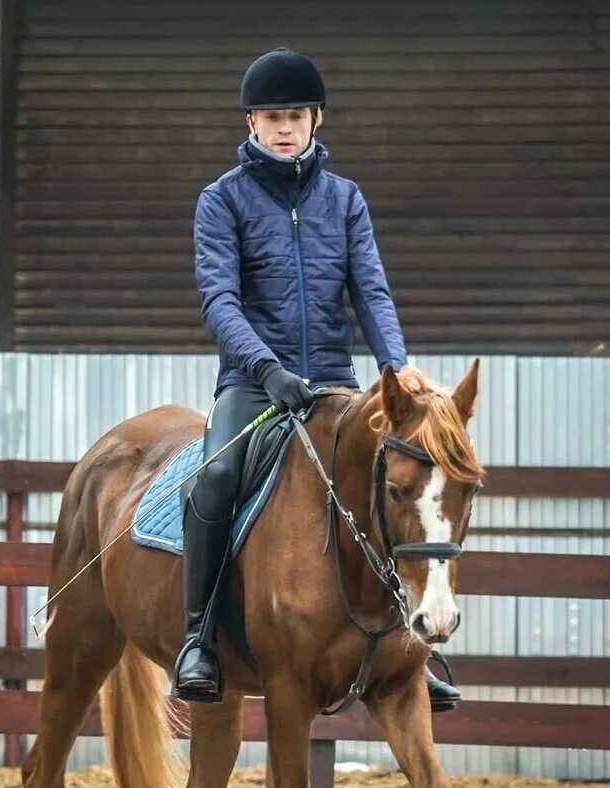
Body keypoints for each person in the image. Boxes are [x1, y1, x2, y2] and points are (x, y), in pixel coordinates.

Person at [173, 47, 460, 713]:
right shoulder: (222, 201)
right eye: (272, 115)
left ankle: (412, 649)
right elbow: (220, 301)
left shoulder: (345, 200)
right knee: (214, 477)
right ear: (251, 123)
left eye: (295, 115)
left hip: (336, 382)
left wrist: (397, 372)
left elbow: (372, 293)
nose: (284, 126)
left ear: (316, 119)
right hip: (254, 382)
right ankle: (199, 638)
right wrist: (266, 370)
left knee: (396, 485)